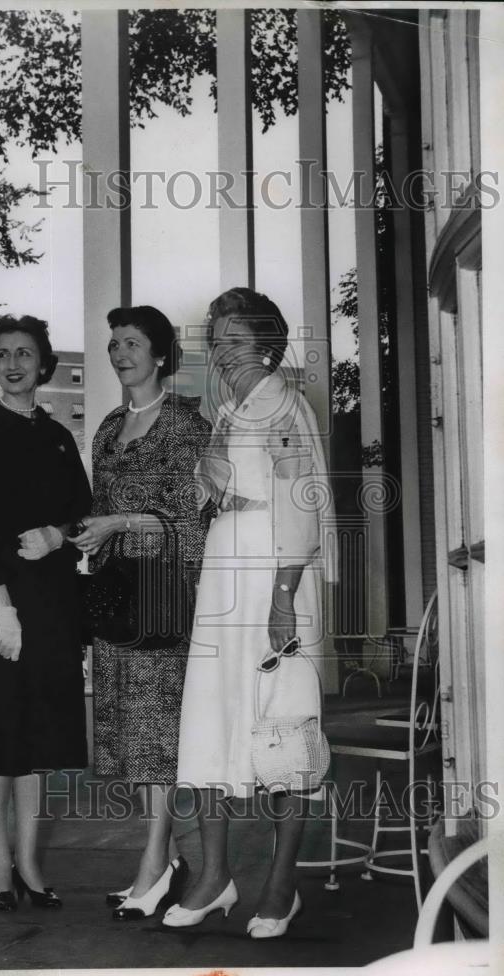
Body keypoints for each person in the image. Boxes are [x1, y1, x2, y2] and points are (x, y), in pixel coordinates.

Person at [164, 289, 335, 938]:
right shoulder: (229, 412)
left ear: (266, 344)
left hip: (273, 583)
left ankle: (281, 884)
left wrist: (284, 597)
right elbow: (217, 499)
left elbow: (299, 507)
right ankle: (213, 878)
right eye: (216, 341)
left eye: (236, 341)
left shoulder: (284, 405)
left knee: (281, 732)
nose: (223, 353)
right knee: (213, 725)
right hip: (224, 582)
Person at [71, 305, 211, 920]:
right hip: (115, 594)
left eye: (132, 342)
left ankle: (154, 864)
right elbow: (98, 506)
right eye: (113, 344)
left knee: (156, 734)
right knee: (128, 735)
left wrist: (123, 523)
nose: (120, 353)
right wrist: (90, 537)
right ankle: (166, 856)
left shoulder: (186, 425)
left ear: (160, 355)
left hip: (161, 593)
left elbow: (195, 521)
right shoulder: (103, 430)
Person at [0, 314, 92, 912]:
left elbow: (83, 514)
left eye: (25, 354)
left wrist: (58, 535)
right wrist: (1, 607)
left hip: (52, 601)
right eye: (3, 353)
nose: (13, 363)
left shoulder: (59, 437)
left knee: (40, 731)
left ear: (43, 365)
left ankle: (32, 864)